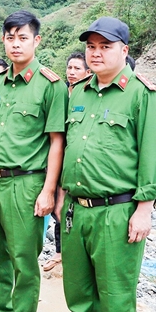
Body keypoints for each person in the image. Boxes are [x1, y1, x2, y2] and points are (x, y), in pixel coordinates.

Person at [41, 17, 156, 312]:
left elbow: (152, 156)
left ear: (124, 51)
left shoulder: (143, 95)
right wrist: (60, 194)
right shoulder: (78, 92)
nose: (96, 53)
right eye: (91, 47)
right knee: (79, 286)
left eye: (105, 47)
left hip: (118, 210)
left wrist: (144, 209)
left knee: (115, 291)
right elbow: (68, 147)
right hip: (77, 207)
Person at [0, 11, 67, 312]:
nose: (15, 44)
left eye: (23, 38)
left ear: (36, 40)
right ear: (3, 40)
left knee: (23, 257)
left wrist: (49, 190)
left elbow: (57, 142)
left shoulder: (51, 86)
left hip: (26, 182)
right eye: (10, 38)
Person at [44, 51, 92, 273]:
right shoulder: (60, 92)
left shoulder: (88, 96)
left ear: (88, 72)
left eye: (77, 69)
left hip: (75, 162)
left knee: (69, 208)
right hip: (56, 158)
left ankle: (72, 255)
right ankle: (59, 252)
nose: (72, 72)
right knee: (57, 208)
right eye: (69, 68)